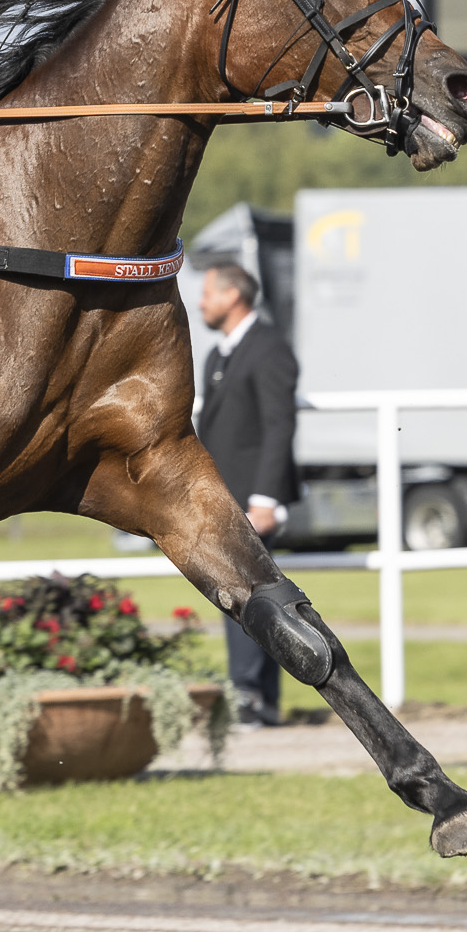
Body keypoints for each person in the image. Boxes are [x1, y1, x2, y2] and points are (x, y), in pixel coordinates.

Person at [194, 261, 301, 727]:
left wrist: (266, 499)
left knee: (242, 597)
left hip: (251, 502)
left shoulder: (269, 349)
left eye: (208, 294)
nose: (201, 302)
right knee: (249, 597)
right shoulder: (219, 355)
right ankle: (263, 699)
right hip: (225, 498)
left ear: (233, 296)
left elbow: (280, 427)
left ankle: (248, 696)